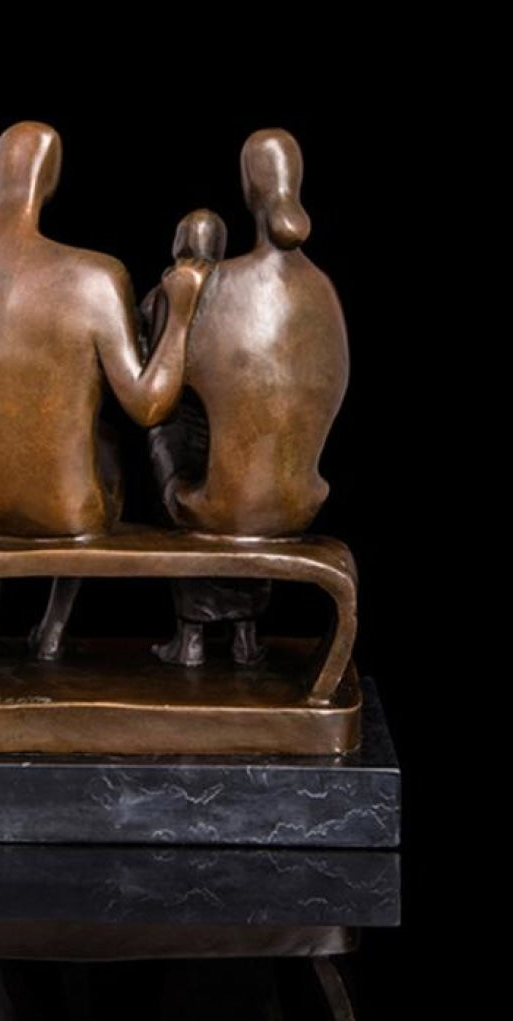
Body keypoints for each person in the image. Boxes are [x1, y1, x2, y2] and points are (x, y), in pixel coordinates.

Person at [0, 121, 210, 658]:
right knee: (99, 450)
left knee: (30, 448)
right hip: (72, 513)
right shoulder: (92, 276)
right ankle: (50, 631)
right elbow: (150, 405)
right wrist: (183, 310)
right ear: (49, 179)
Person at [148, 130, 349, 666]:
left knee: (171, 437)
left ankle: (192, 634)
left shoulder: (217, 285)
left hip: (217, 508)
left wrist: (176, 306)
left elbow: (158, 395)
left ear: (249, 188)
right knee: (250, 466)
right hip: (302, 504)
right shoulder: (324, 292)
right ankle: (244, 637)